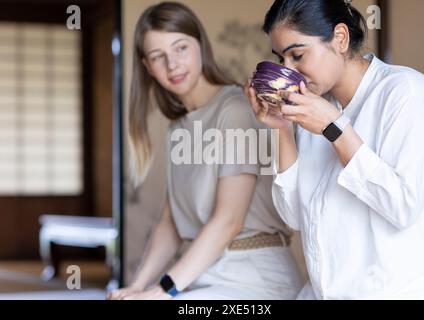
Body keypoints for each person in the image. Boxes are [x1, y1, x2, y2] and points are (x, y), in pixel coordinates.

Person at [245, 0, 424, 299]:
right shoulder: (317, 107)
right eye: (281, 58)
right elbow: (295, 218)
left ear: (339, 38)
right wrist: (282, 130)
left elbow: (401, 206)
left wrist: (334, 128)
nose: (289, 71)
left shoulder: (406, 93)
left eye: (298, 55)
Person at [108, 2, 302, 300]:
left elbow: (228, 221)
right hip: (209, 275)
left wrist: (163, 291)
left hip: (255, 279)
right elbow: (170, 224)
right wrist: (137, 285)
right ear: (147, 66)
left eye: (181, 48)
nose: (172, 64)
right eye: (158, 56)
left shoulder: (234, 108)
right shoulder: (178, 128)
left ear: (200, 43)